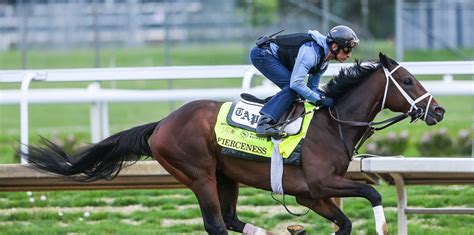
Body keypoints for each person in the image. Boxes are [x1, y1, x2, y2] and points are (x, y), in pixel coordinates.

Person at [250, 25, 359, 137]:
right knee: (293, 89)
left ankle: (274, 103)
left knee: (300, 92)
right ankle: (264, 124)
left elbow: (312, 88)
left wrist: (327, 98)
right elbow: (296, 84)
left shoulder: (324, 62)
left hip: (275, 57)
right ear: (335, 46)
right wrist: (320, 100)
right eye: (346, 50)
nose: (349, 55)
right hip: (262, 54)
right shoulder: (310, 53)